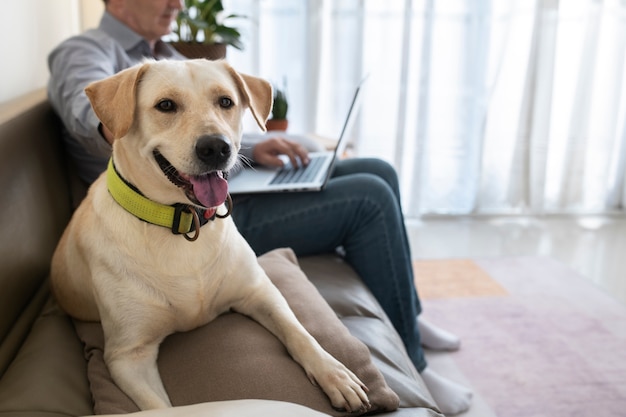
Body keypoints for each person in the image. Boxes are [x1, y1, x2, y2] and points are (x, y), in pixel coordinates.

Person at [47, 0, 472, 414]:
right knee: (369, 198)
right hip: (138, 210)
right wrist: (130, 103)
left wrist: (249, 143)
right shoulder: (86, 51)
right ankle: (415, 361)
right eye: (166, 105)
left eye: (226, 101)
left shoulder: (164, 55)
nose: (177, 2)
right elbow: (92, 119)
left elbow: (209, 122)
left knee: (377, 170)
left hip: (211, 206)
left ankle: (406, 317)